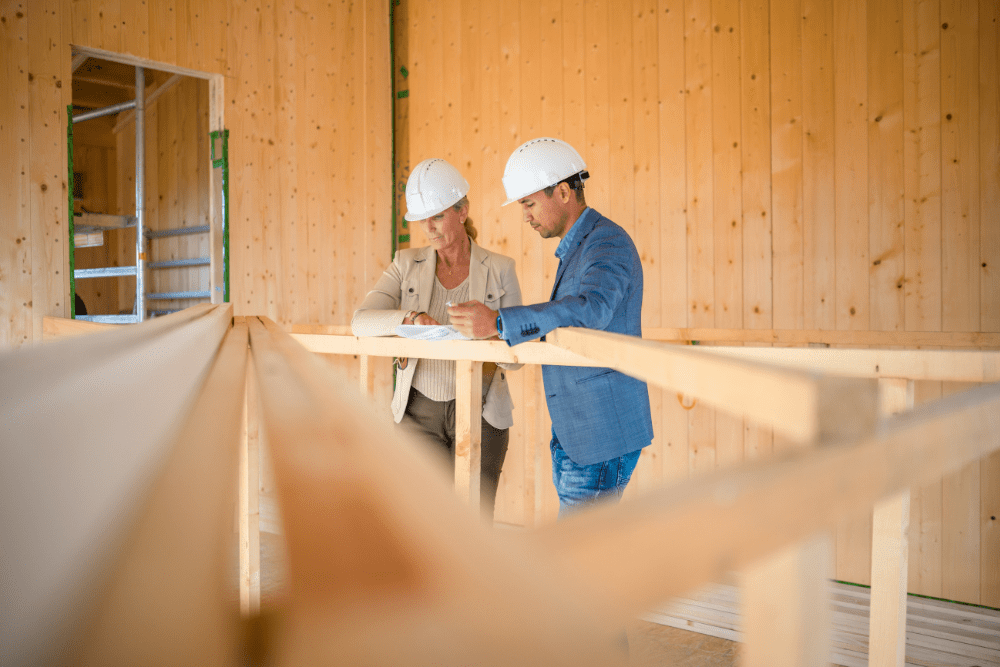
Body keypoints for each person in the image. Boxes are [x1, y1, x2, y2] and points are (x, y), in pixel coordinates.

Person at [449, 137, 653, 517]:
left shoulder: (606, 243)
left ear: (562, 192)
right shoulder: (582, 246)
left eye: (528, 203)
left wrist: (498, 321)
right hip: (580, 433)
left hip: (601, 436)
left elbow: (590, 310)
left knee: (578, 559)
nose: (524, 215)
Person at [351, 158, 523, 520]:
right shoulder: (405, 263)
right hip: (418, 413)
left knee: (474, 524)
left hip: (482, 411)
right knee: (426, 526)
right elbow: (361, 322)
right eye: (422, 220)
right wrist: (409, 318)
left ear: (463, 211)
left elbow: (515, 356)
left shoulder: (501, 269)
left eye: (437, 217)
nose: (428, 228)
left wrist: (492, 326)